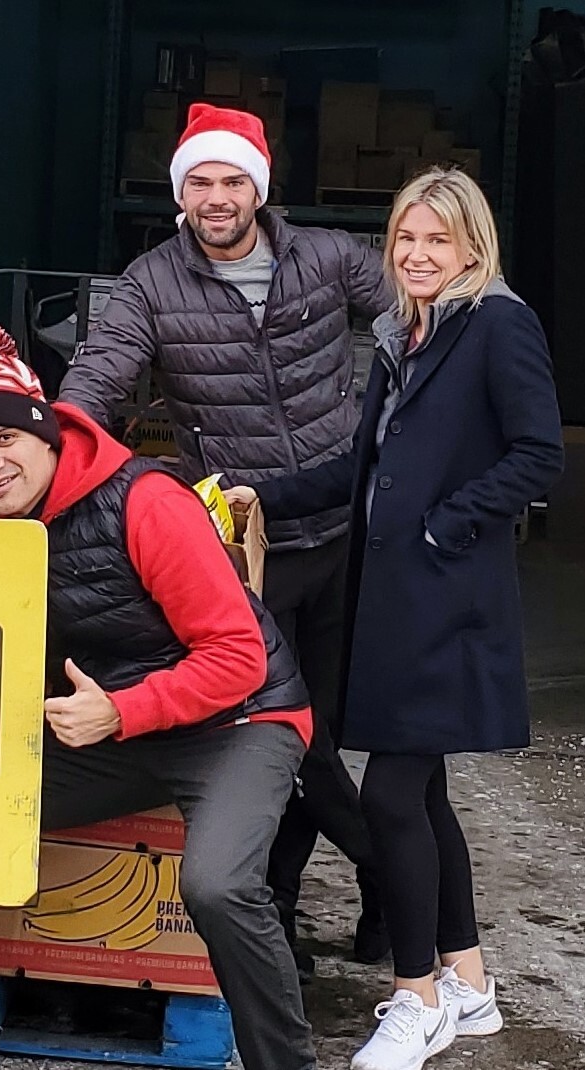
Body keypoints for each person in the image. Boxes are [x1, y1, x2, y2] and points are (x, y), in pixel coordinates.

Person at [0, 325, 315, 1070]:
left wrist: (122, 710)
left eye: (4, 440)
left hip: (237, 719)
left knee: (217, 884)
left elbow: (237, 657)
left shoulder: (145, 502)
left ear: (45, 432)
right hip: (110, 734)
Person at [226, 168, 564, 1070]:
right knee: (422, 794)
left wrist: (444, 521)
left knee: (387, 793)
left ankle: (415, 995)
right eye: (405, 240)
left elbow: (538, 453)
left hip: (448, 602)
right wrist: (263, 488)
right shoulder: (397, 333)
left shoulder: (498, 324)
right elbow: (357, 464)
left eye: (436, 241)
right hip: (392, 604)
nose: (417, 255)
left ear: (471, 247)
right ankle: (471, 984)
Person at [59, 102, 392, 972]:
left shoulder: (324, 256)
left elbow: (415, 320)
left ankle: (309, 902)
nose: (215, 196)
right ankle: (378, 883)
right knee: (288, 734)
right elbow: (100, 371)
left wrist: (417, 430)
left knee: (341, 728)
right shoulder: (149, 284)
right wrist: (52, 446)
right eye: (198, 182)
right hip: (250, 547)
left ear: (258, 188)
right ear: (179, 193)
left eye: (231, 179)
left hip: (349, 526)